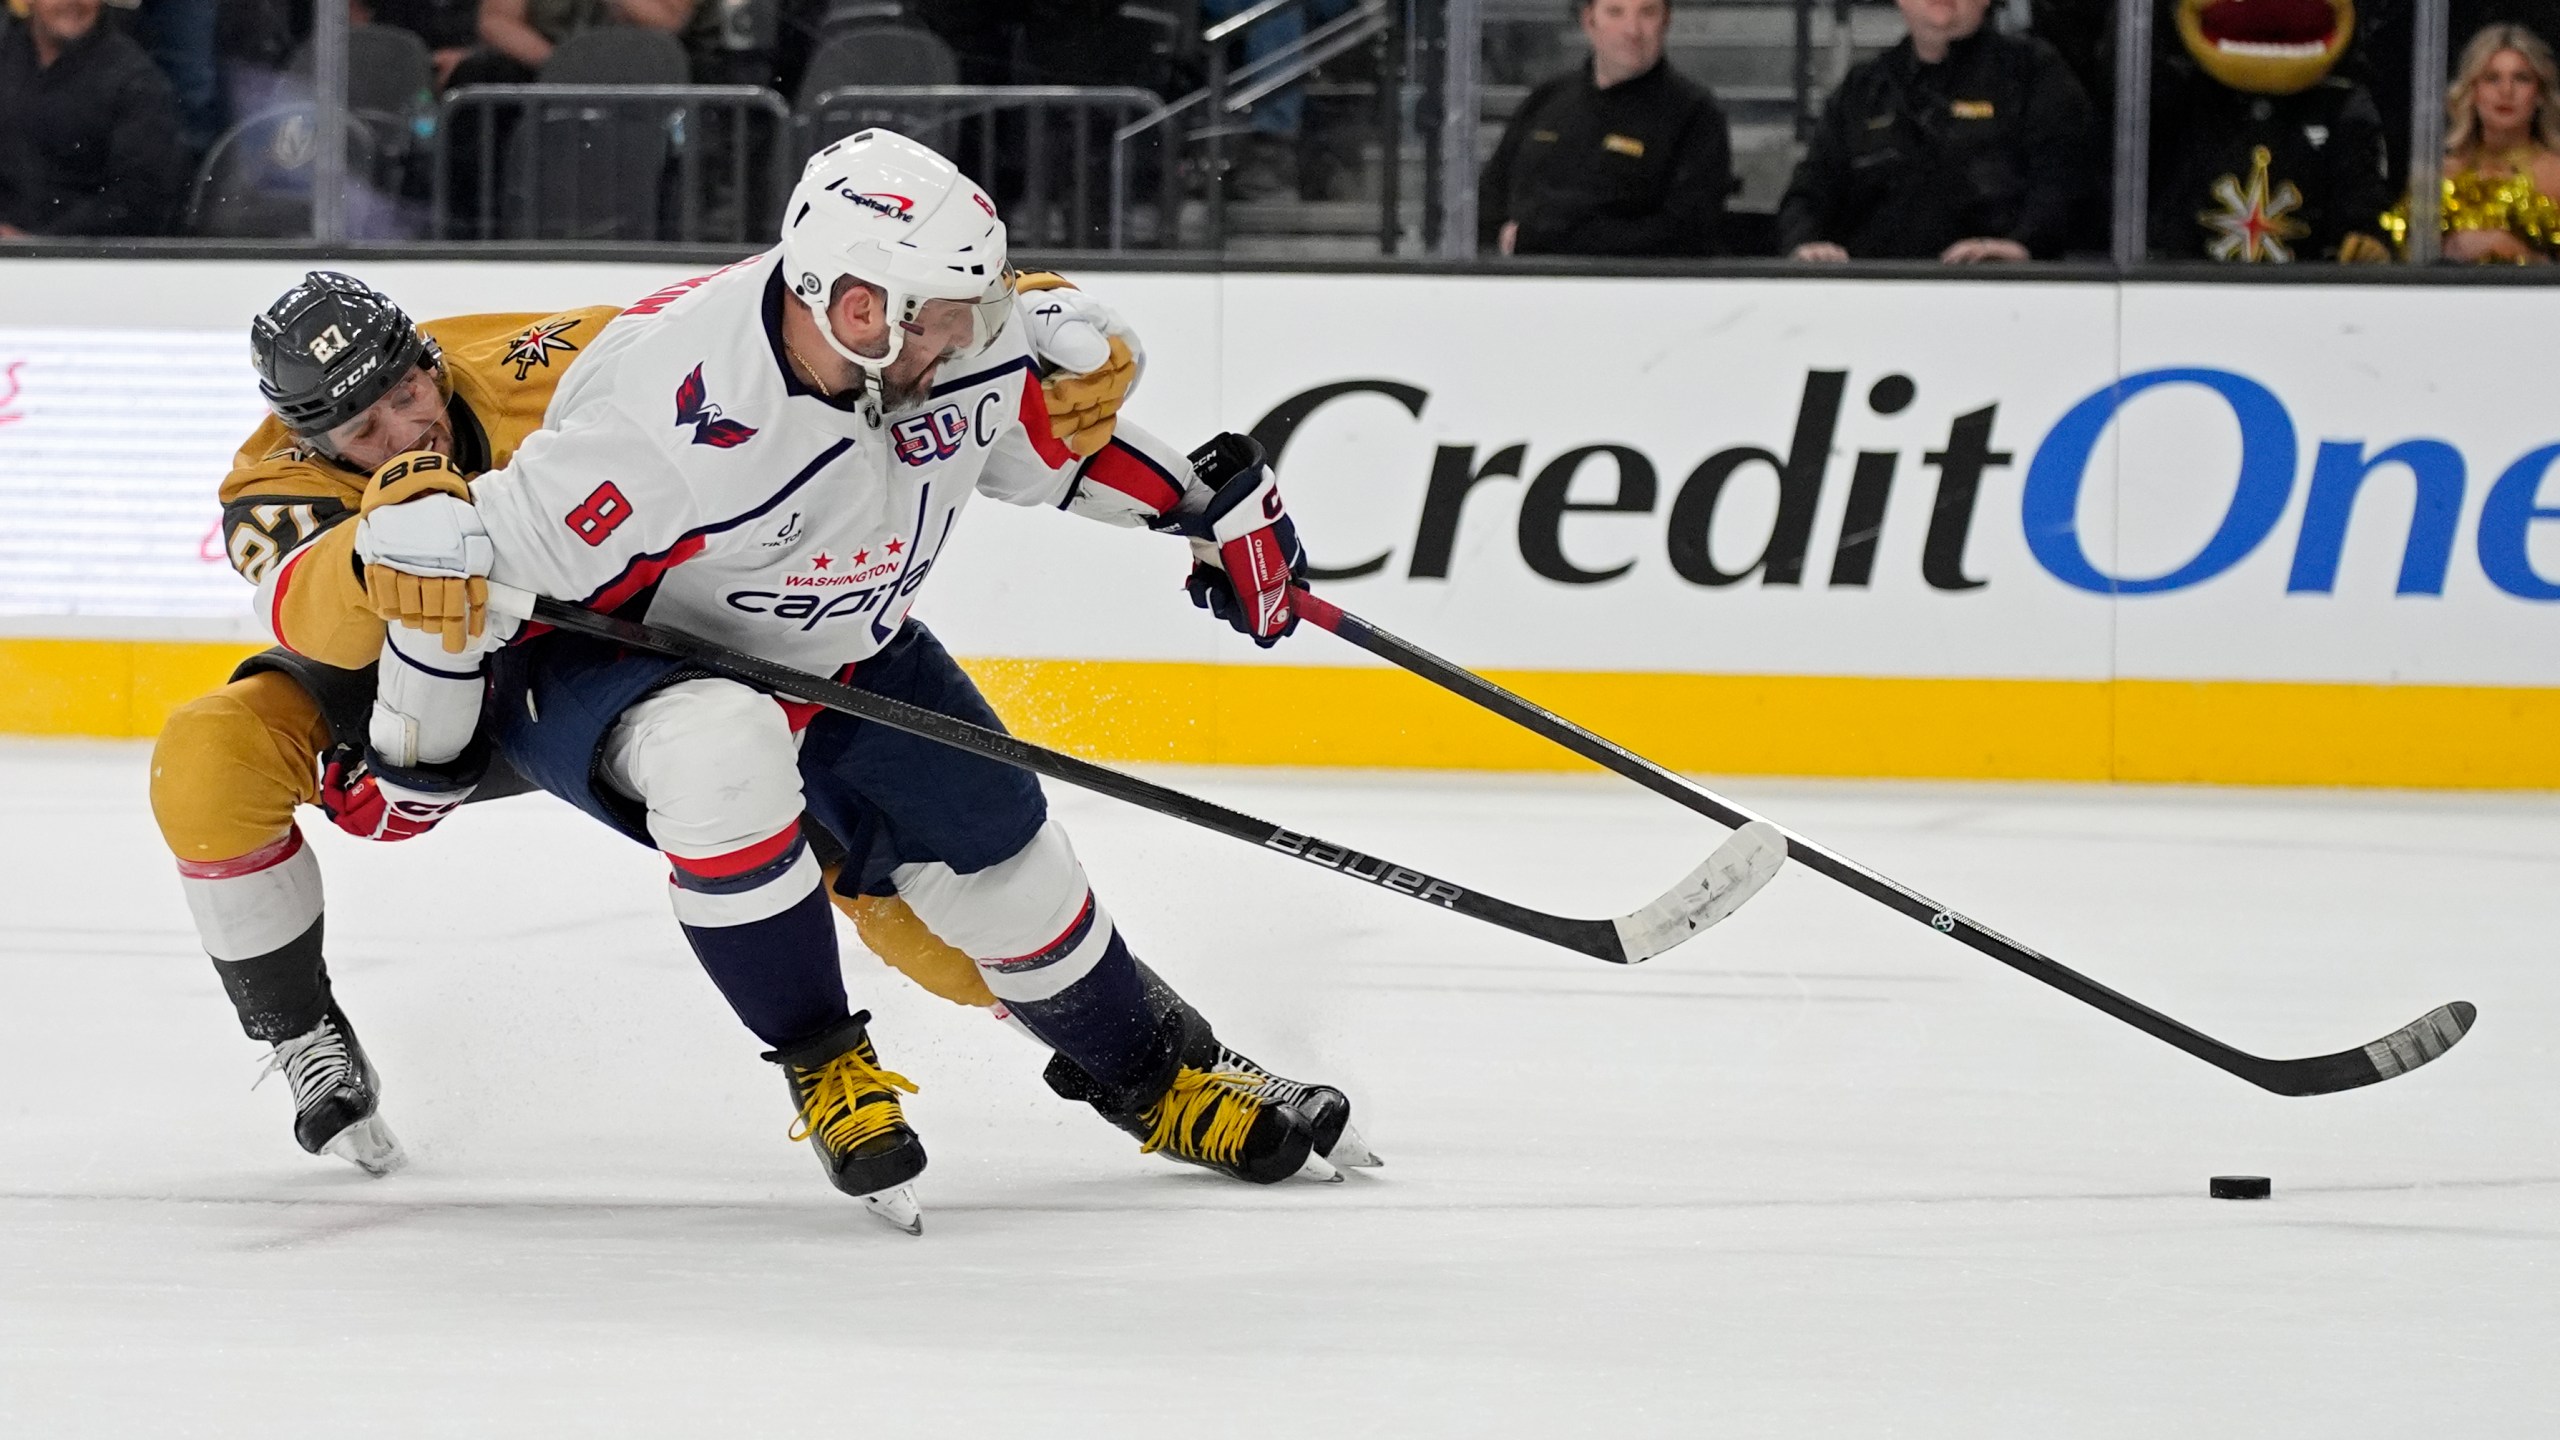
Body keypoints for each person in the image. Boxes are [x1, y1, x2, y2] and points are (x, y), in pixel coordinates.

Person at [351, 130, 1374, 1233]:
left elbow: (1051, 449)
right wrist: (421, 755)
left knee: (1011, 872)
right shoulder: (661, 415)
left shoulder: (942, 338)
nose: (965, 337)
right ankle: (825, 1063)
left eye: (966, 309)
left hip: (840, 645)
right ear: (842, 298)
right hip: (614, 666)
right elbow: (448, 570)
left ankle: (1162, 1079)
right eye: (933, 314)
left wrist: (1205, 509)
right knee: (720, 747)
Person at [153, 265, 1145, 1177]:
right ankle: (296, 1031)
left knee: (864, 861)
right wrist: (392, 543)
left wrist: (1002, 303)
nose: (402, 431)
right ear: (312, 442)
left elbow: (762, 313)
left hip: (586, 661)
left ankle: (1150, 1053)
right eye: (362, 435)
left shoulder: (528, 357)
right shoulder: (269, 482)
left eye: (408, 395)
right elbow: (309, 611)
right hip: (393, 681)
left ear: (425, 361)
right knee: (206, 753)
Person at [1776, 0, 2093, 263]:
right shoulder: (1863, 89)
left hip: (2004, 297)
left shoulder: (2034, 74)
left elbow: (2064, 181)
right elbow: (1808, 194)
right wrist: (1806, 246)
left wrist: (2023, 247)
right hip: (1872, 305)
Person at [1476, 0, 1732, 258]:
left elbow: (1686, 234)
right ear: (1589, 21)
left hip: (1633, 289)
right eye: (1615, 12)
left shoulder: (1695, 116)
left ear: (1666, 22)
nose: (1632, 30)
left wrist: (1547, 241)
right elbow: (1487, 201)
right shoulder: (1546, 101)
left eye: (1648, 13)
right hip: (1516, 284)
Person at [2148, 0, 2392, 262]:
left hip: (2309, 290)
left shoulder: (2343, 106)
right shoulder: (2180, 93)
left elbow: (2361, 205)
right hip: (2185, 287)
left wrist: (2366, 240)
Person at [0, 0, 187, 237]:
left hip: (88, 261)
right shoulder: (6, 57)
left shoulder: (138, 85)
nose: (72, 2)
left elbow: (141, 200)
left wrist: (40, 243)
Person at [2381, 23, 2560, 261]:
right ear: (2472, 91)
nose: (2506, 91)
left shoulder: (2556, 175)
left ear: (2539, 94)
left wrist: (2519, 254)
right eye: (2492, 78)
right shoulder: (2439, 177)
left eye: (2521, 78)